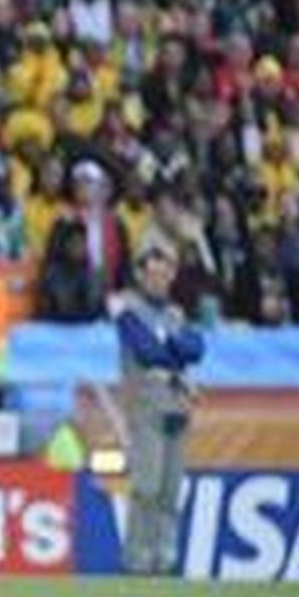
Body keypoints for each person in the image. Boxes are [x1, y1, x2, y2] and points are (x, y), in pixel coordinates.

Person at [115, 241, 205, 575]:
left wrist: (171, 347)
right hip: (146, 407)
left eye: (165, 274)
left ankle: (165, 559)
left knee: (170, 490)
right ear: (140, 274)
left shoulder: (174, 312)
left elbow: (196, 348)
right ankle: (137, 559)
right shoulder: (128, 310)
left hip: (177, 408)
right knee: (146, 487)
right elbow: (146, 350)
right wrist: (174, 349)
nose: (160, 281)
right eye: (153, 273)